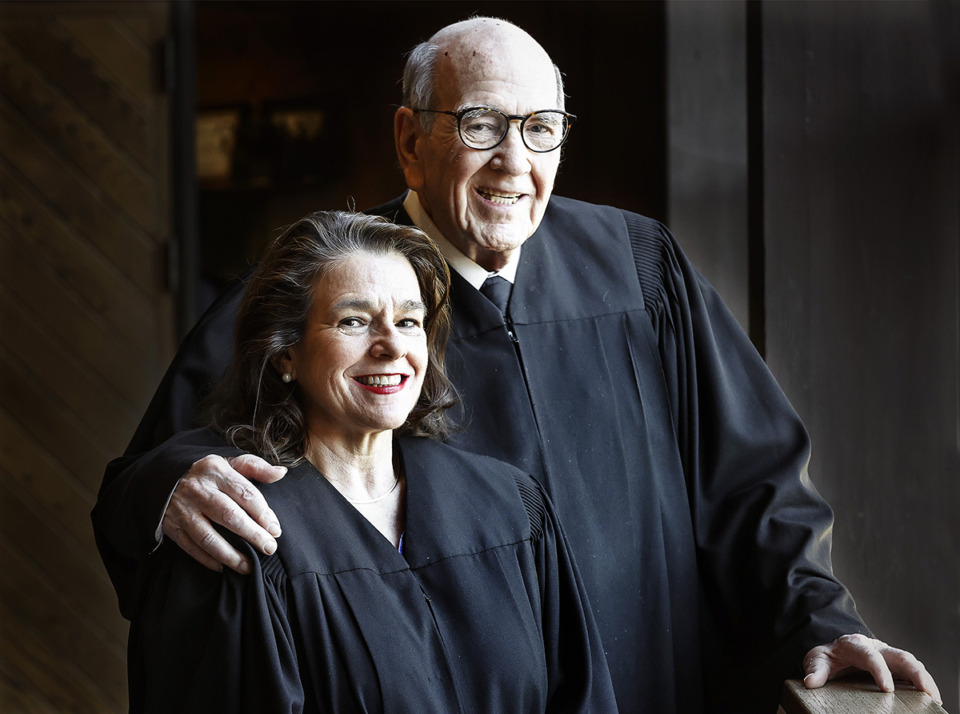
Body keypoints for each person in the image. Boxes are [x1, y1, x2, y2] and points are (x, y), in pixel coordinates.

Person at [93, 17, 941, 713]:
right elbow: (161, 465)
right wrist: (173, 482)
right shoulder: (331, 280)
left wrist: (821, 622)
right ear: (410, 139)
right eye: (481, 125)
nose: (514, 163)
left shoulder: (640, 268)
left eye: (541, 130)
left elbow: (754, 484)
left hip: (659, 689)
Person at [126, 210, 616, 712]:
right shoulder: (242, 531)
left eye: (408, 321)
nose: (391, 347)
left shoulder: (511, 507)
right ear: (285, 354)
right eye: (354, 321)